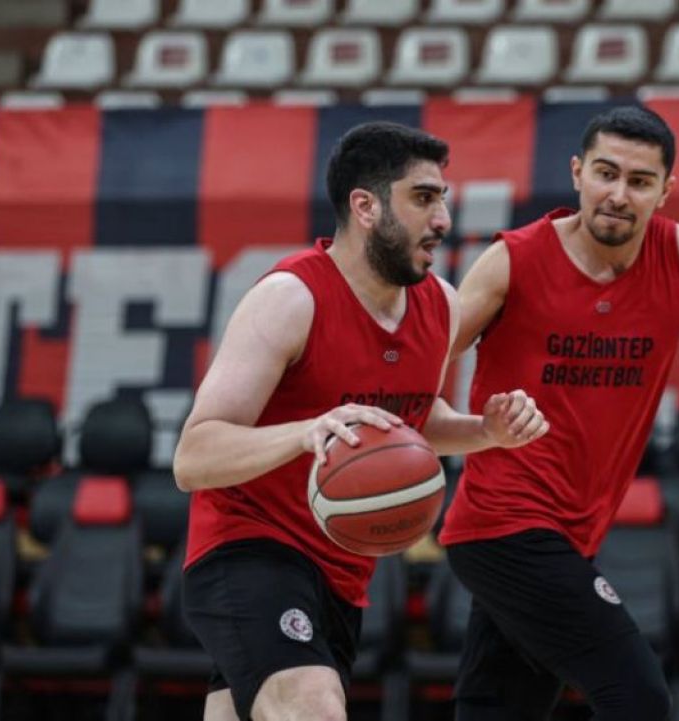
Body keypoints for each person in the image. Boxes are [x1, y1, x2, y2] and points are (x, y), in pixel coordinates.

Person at [438, 105, 679, 721]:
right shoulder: (513, 259)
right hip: (502, 526)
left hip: (574, 534)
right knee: (638, 695)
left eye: (640, 181)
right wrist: (450, 433)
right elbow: (420, 365)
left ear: (665, 190)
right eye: (606, 173)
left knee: (498, 709)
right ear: (577, 173)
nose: (618, 194)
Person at [172, 121, 548, 721]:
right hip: (249, 549)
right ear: (366, 206)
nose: (444, 219)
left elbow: (408, 424)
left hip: (341, 569)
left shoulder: (442, 305)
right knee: (314, 705)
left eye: (443, 198)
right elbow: (193, 458)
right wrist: (304, 431)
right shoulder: (290, 299)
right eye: (424, 198)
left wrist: (485, 431)